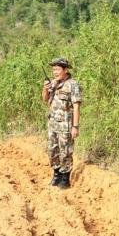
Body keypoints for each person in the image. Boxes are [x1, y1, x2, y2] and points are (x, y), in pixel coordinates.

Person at [42, 58, 82, 189]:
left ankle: (65, 179)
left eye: (58, 69)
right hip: (53, 124)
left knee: (66, 152)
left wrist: (75, 126)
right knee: (53, 150)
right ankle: (56, 175)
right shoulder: (53, 83)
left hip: (66, 125)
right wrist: (45, 88)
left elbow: (76, 106)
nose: (55, 72)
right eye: (53, 69)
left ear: (65, 70)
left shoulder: (72, 85)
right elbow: (45, 100)